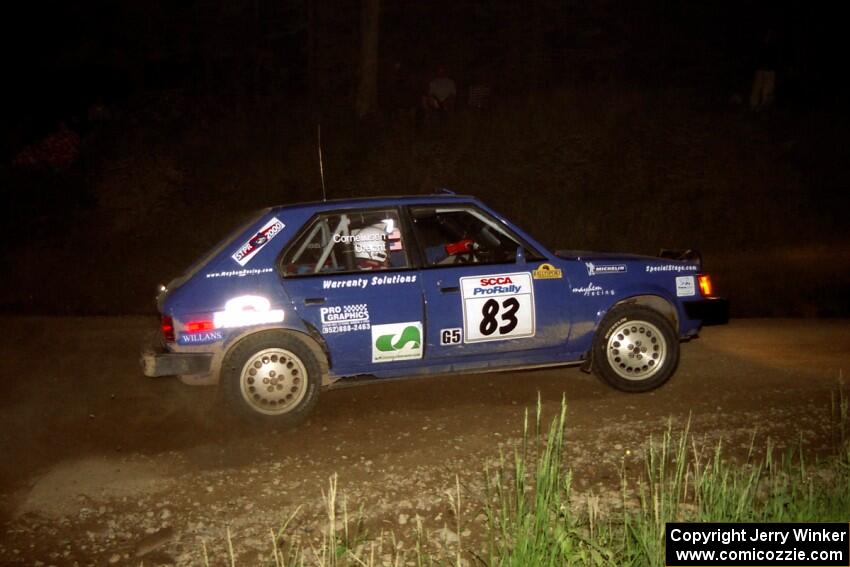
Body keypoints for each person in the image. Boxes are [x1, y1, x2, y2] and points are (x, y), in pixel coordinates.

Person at [750, 30, 778, 111]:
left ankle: (764, 107)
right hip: (761, 69)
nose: (768, 37)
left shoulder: (774, 46)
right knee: (757, 88)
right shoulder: (760, 46)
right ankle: (754, 106)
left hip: (769, 70)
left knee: (767, 90)